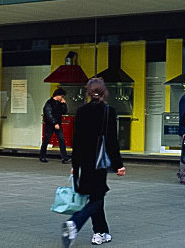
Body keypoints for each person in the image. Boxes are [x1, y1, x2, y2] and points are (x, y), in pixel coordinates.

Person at [62, 78, 125, 247]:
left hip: (84, 161)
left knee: (95, 195)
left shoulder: (81, 111)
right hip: (100, 162)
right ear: (104, 92)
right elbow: (112, 141)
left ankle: (101, 232)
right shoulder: (108, 112)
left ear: (88, 93)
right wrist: (119, 164)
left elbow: (77, 141)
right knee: (97, 197)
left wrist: (75, 165)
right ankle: (75, 222)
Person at [41, 88, 71, 164]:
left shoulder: (59, 103)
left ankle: (65, 157)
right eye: (61, 96)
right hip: (50, 124)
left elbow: (64, 112)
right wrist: (54, 123)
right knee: (46, 140)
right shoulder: (49, 103)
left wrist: (64, 104)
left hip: (57, 123)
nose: (62, 98)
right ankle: (42, 156)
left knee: (61, 140)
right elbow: (48, 114)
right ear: (58, 95)